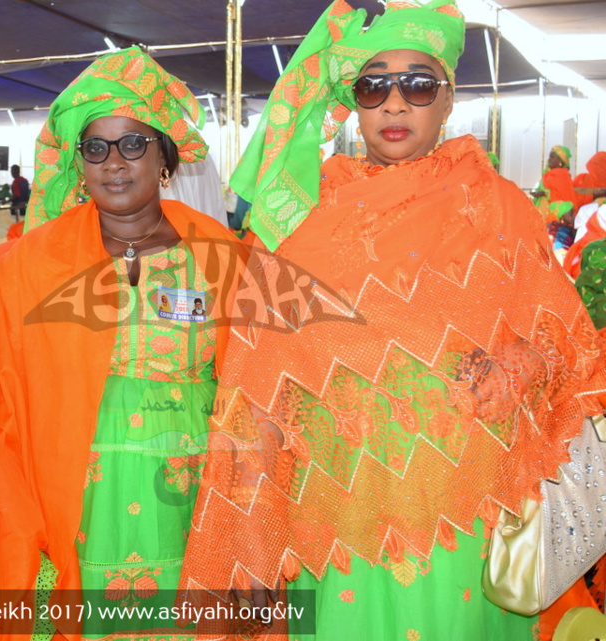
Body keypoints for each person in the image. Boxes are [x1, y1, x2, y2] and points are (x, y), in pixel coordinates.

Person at [178, 2, 606, 640]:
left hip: (473, 513)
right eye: (374, 84)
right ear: (353, 102)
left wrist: (522, 365)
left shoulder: (499, 210)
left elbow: (567, 344)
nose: (396, 102)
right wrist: (257, 516)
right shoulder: (300, 224)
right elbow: (260, 380)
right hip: (342, 518)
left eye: (418, 83)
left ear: (448, 99)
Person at [0, 46, 242, 640]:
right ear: (79, 163)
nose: (114, 163)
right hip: (78, 496)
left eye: (133, 144)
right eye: (96, 148)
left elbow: (259, 383)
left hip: (197, 496)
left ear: (165, 158)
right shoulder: (33, 264)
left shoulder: (223, 255)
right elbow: (3, 403)